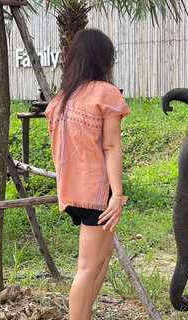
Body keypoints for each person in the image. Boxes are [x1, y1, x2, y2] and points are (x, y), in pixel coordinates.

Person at [44, 28, 130, 320]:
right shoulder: (105, 92)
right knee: (87, 268)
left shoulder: (61, 98)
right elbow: (111, 144)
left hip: (70, 193)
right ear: (102, 59)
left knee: (101, 259)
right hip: (97, 194)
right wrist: (117, 195)